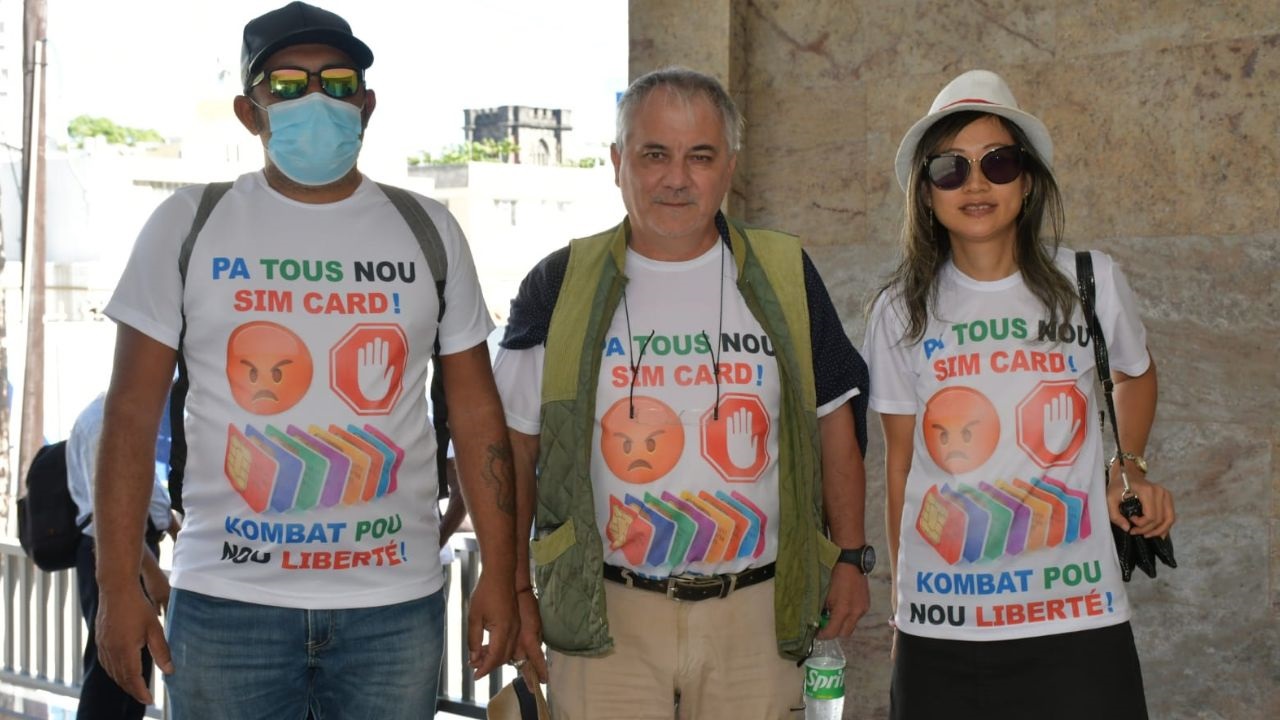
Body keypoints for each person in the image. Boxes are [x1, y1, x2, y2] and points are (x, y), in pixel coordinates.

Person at [90, 3, 518, 718]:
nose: (316, 98)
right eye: (287, 84)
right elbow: (130, 413)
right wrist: (114, 587)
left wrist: (501, 575)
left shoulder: (429, 229)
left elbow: (477, 413)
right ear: (248, 111)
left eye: (337, 81)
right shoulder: (189, 223)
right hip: (227, 603)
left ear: (366, 105)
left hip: (394, 607)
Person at [494, 67, 874, 719]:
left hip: (757, 616)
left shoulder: (785, 274)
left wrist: (850, 558)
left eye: (700, 156)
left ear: (730, 167)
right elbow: (514, 446)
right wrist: (514, 587)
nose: (677, 178)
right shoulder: (559, 283)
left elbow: (834, 422)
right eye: (654, 155)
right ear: (617, 161)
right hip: (604, 615)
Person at [863, 69, 1176, 719]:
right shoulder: (898, 309)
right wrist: (902, 605)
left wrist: (1128, 463)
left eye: (998, 162)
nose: (976, 183)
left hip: (1079, 618)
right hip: (944, 627)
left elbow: (1134, 373)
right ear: (926, 191)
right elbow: (901, 464)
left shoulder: (1089, 281)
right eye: (950, 168)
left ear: (1027, 180)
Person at [67, 392, 178, 720]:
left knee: (135, 670)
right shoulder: (105, 421)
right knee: (113, 670)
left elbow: (148, 492)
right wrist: (151, 575)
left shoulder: (128, 419)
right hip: (113, 552)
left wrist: (175, 531)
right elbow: (110, 513)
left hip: (136, 550)